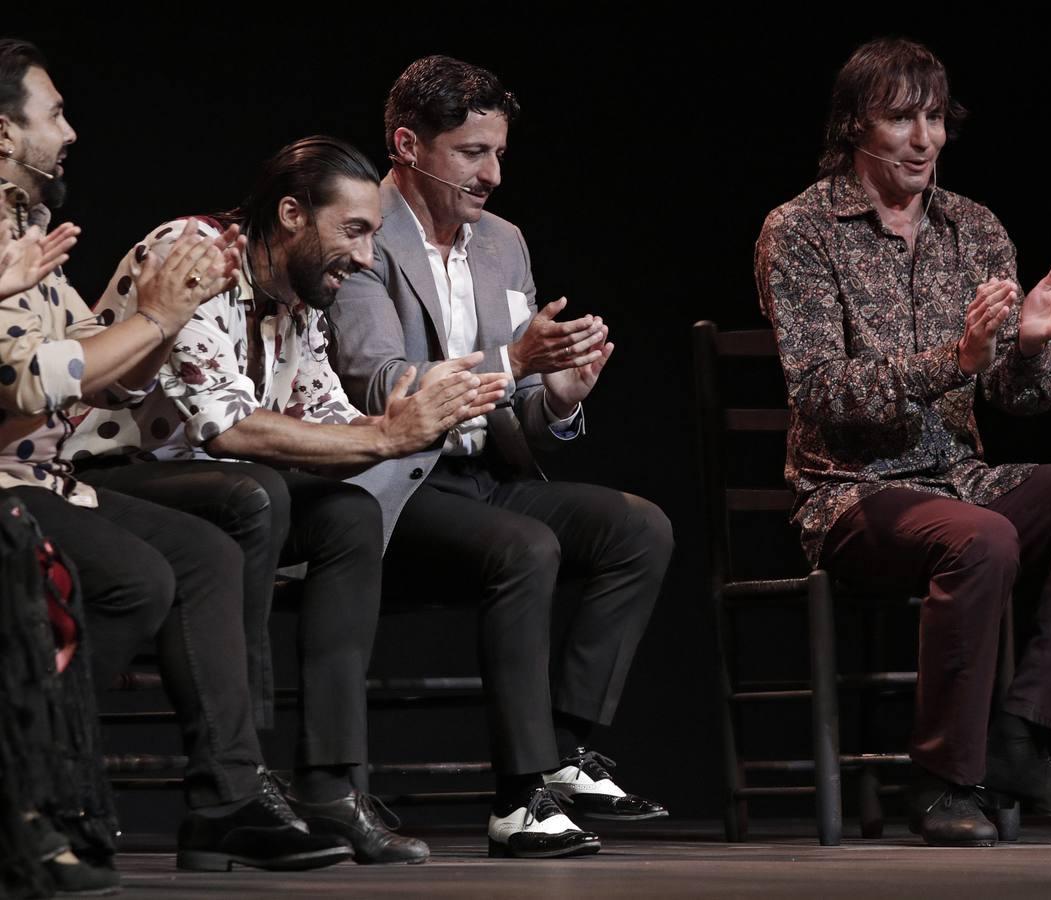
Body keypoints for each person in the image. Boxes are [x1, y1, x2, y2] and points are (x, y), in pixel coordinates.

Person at [754, 37, 1051, 847]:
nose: (923, 138)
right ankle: (944, 779)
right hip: (850, 491)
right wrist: (956, 360)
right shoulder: (800, 231)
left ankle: (1025, 734)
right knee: (983, 539)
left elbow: (1023, 398)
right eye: (901, 118)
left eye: (934, 118)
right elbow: (821, 391)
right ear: (854, 126)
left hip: (963, 479)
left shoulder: (973, 229)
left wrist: (1034, 344)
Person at [65, 135, 508, 865]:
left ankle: (329, 786)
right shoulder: (197, 252)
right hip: (103, 474)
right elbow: (228, 427)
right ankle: (236, 786)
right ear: (293, 213)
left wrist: (414, 414)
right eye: (356, 231)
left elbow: (332, 427)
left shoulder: (298, 302)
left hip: (213, 495)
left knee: (346, 515)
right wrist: (391, 439)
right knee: (256, 491)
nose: (368, 259)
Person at [0, 38, 352, 872]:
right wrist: (155, 318)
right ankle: (31, 781)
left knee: (203, 555)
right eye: (55, 113)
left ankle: (228, 796)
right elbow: (24, 382)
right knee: (140, 577)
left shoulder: (29, 231)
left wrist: (156, 327)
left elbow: (91, 363)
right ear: (4, 134)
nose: (71, 131)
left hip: (48, 473)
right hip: (12, 479)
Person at [332, 55, 674, 859]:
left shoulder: (503, 243)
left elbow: (522, 406)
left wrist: (560, 394)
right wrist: (513, 362)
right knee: (527, 547)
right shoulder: (360, 227)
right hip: (392, 486)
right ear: (408, 144)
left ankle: (560, 751)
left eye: (499, 154)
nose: (492, 175)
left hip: (487, 477)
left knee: (638, 530)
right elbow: (381, 382)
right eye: (472, 153)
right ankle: (518, 800)